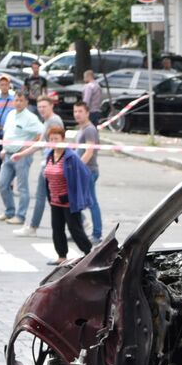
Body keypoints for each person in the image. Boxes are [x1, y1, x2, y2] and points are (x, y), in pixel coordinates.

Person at [39, 122, 94, 265]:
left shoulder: (71, 157)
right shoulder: (50, 156)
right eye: (51, 139)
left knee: (75, 228)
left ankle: (90, 254)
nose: (54, 142)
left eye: (56, 139)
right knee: (57, 228)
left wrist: (73, 195)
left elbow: (85, 174)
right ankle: (61, 256)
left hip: (69, 201)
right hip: (55, 200)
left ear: (63, 139)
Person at [11, 95, 64, 232]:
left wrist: (54, 162)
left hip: (51, 164)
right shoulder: (47, 121)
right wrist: (21, 154)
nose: (41, 109)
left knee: (45, 196)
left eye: (44, 106)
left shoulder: (54, 121)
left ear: (51, 106)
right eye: (39, 107)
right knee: (52, 195)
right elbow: (40, 143)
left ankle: (33, 227)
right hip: (48, 163)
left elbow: (58, 144)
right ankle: (33, 226)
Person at [0, 92, 43, 223]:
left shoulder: (30, 118)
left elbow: (41, 133)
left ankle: (20, 216)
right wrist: (4, 149)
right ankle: (9, 212)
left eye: (21, 100)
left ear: (26, 102)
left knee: (22, 187)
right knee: (2, 184)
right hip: (8, 155)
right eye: (16, 100)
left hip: (22, 156)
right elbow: (8, 134)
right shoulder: (10, 115)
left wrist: (27, 147)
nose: (18, 103)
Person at [72, 100, 102, 242]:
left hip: (88, 171)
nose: (77, 114)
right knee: (76, 201)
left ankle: (97, 234)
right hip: (83, 171)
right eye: (75, 111)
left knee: (91, 202)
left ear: (87, 113)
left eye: (80, 111)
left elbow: (89, 152)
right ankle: (78, 231)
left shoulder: (89, 129)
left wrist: (77, 168)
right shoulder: (82, 129)